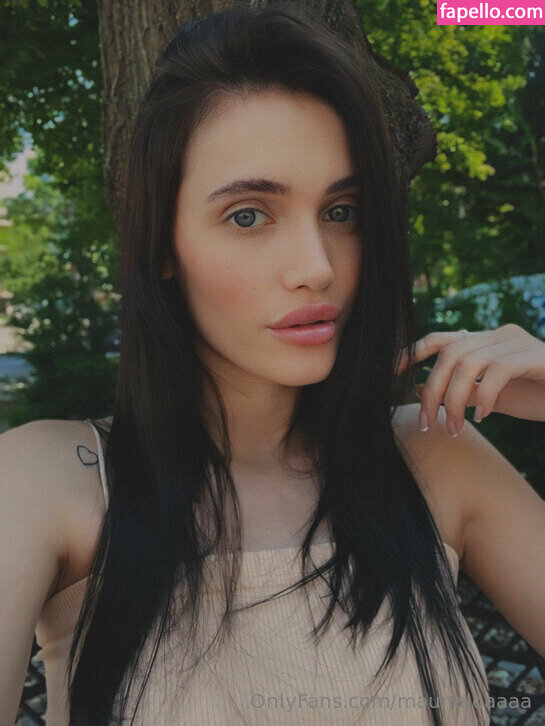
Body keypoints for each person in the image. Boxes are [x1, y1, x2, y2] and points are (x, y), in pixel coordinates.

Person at [2, 2, 544, 724]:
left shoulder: (434, 457)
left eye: (341, 211)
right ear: (162, 246)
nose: (316, 267)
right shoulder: (51, 482)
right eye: (249, 215)